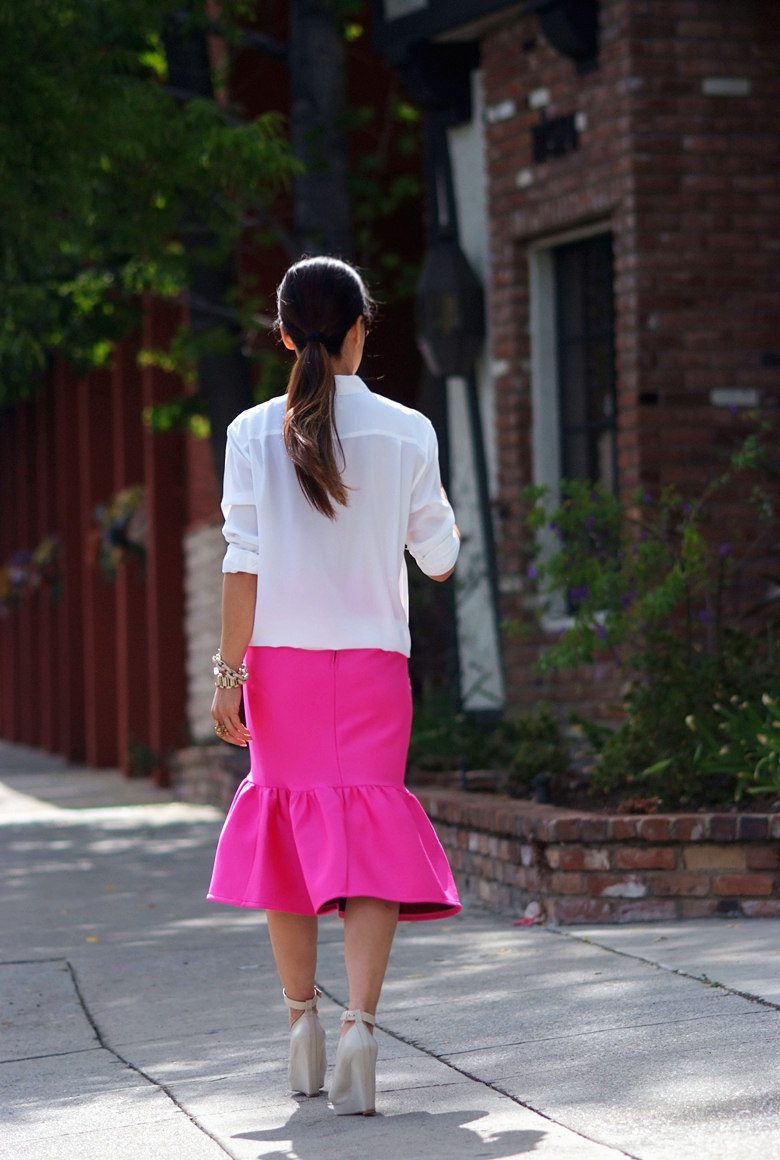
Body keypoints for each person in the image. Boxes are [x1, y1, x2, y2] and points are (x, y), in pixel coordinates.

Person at [207, 255, 461, 1117]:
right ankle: (359, 1026)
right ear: (362, 328)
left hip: (278, 665)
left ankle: (300, 1029)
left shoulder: (249, 434)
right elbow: (441, 559)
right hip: (372, 666)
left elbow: (242, 561)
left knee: (283, 829)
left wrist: (227, 676)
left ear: (283, 334)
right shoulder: (407, 431)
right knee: (371, 830)